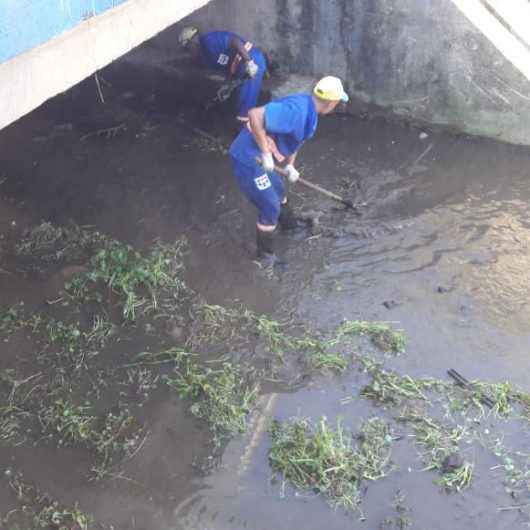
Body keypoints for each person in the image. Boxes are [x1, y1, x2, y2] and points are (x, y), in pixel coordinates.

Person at [229, 76, 349, 264]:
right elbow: (254, 115)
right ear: (332, 102)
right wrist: (265, 153)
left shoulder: (311, 114)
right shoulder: (296, 111)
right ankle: (265, 255)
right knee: (270, 206)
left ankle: (289, 226)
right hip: (249, 158)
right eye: (337, 102)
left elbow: (295, 142)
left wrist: (290, 166)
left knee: (279, 190)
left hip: (263, 158)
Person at [178, 26, 267, 123]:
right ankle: (244, 125)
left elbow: (234, 41)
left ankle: (245, 129)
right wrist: (227, 87)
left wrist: (248, 62)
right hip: (239, 69)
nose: (188, 52)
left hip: (251, 59)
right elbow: (227, 68)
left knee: (245, 104)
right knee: (237, 102)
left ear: (193, 41)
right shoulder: (205, 58)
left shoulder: (209, 40)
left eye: (187, 47)